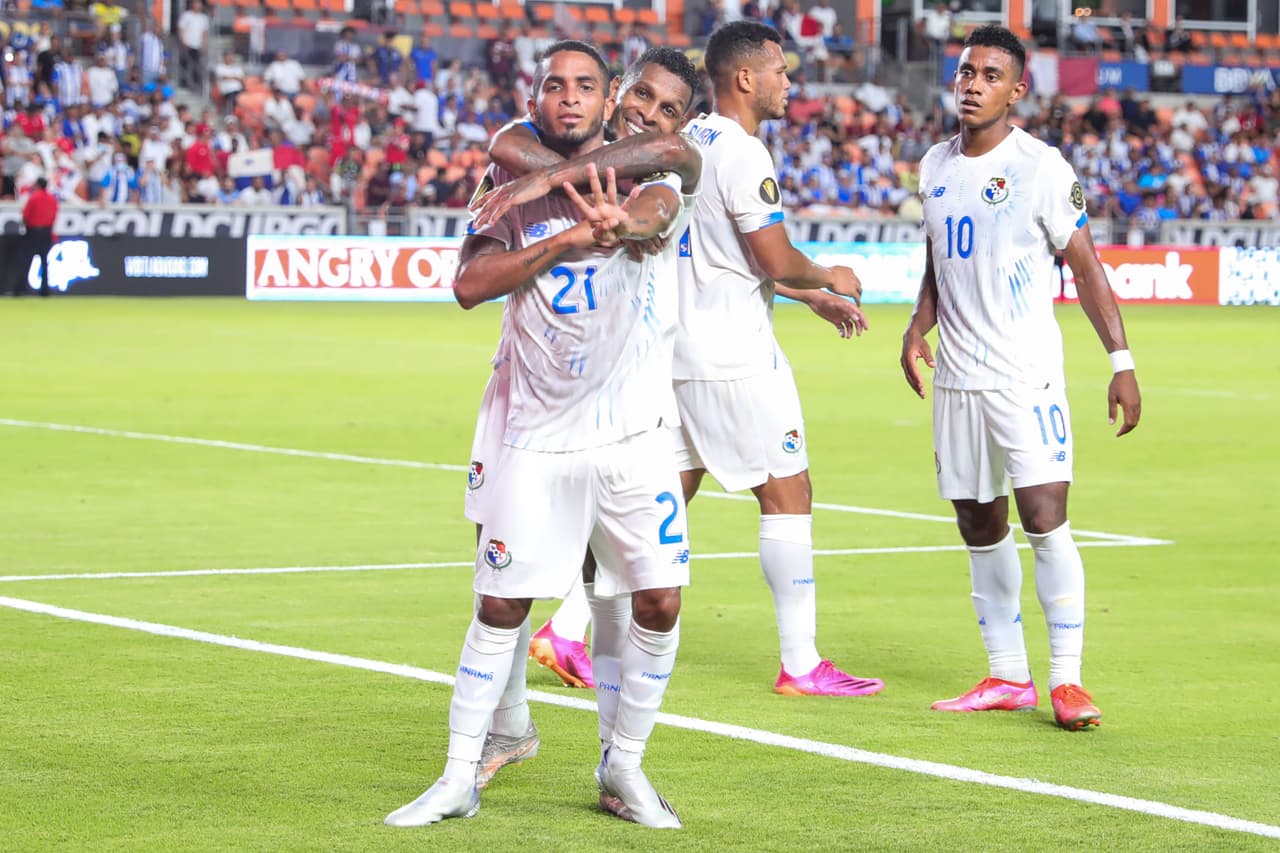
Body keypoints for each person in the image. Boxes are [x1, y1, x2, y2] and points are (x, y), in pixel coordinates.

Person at [384, 41, 698, 830]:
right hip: (535, 431)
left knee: (658, 597)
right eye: (553, 86)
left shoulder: (648, 175)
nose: (568, 98)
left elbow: (657, 206)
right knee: (500, 603)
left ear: (607, 100)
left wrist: (619, 223)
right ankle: (459, 775)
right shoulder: (507, 178)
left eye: (584, 87)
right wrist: (563, 238)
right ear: (535, 97)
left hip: (633, 433)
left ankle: (623, 767)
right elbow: (467, 286)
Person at [900, 25, 1142, 732]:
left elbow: (1088, 268)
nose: (972, 83)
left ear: (1017, 90)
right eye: (966, 70)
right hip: (957, 380)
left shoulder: (1040, 166)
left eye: (990, 74)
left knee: (1042, 516)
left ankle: (1067, 679)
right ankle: (1008, 673)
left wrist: (1120, 362)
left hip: (1025, 376)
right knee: (978, 519)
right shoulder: (935, 164)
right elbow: (939, 256)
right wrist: (919, 323)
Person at [671, 21, 880, 697]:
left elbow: (723, 256)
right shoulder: (744, 153)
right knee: (788, 490)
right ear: (744, 78)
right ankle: (799, 662)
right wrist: (828, 278)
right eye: (780, 71)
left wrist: (801, 298)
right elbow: (771, 254)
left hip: (674, 352)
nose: (789, 82)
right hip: (736, 355)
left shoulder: (689, 139)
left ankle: (569, 628)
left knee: (666, 495)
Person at [16, 177, 57, 296]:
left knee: (27, 260)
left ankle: (21, 289)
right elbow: (54, 215)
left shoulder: (33, 197)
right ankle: (44, 291)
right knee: (44, 262)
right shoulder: (52, 199)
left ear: (38, 185)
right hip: (46, 232)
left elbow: (26, 215)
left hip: (33, 231)